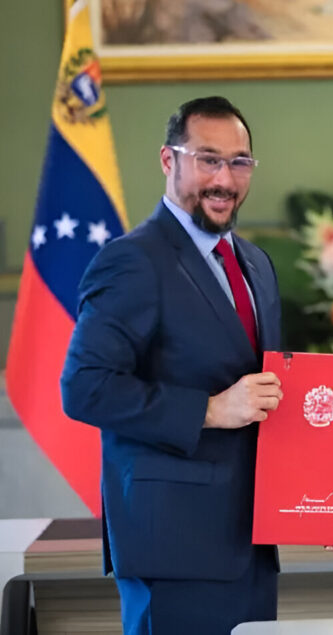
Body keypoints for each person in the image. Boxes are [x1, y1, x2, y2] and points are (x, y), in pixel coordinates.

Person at [63, 96, 280, 634]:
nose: (225, 179)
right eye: (208, 159)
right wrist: (207, 410)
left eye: (239, 162)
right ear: (168, 160)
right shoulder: (131, 260)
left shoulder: (256, 263)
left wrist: (324, 490)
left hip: (250, 545)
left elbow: (269, 392)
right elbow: (85, 388)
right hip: (172, 550)